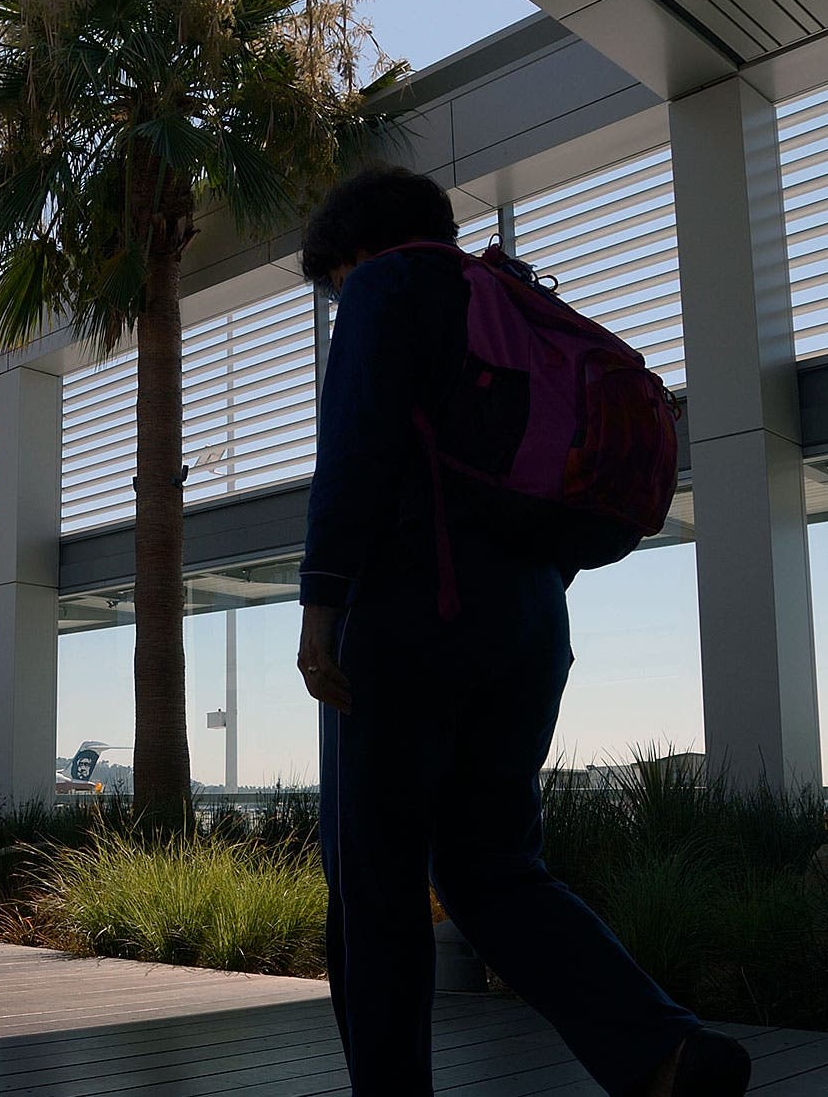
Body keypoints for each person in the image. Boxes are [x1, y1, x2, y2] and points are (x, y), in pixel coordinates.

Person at [297, 168, 751, 1097]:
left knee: (374, 885)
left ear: (355, 253)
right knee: (495, 869)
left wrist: (321, 606)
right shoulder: (505, 300)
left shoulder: (387, 287)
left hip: (412, 616)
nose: (340, 296)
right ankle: (664, 1053)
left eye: (334, 281)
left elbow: (357, 452)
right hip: (532, 622)